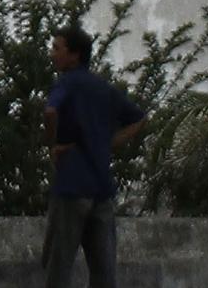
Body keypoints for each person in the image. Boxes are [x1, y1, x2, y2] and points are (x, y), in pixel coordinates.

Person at [41, 24, 146, 288]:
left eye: (57, 48)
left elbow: (51, 112)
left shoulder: (67, 82)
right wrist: (106, 144)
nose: (52, 54)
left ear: (74, 54)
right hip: (101, 187)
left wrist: (53, 145)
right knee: (103, 271)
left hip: (72, 186)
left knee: (59, 266)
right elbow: (138, 119)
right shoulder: (102, 87)